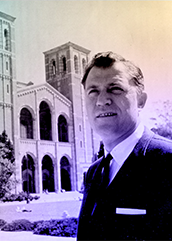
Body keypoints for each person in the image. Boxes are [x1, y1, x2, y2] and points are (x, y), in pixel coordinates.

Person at [77, 51, 172, 241]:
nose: (102, 100)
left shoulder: (166, 162)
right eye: (93, 91)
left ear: (141, 100)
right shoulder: (94, 173)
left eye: (115, 89)